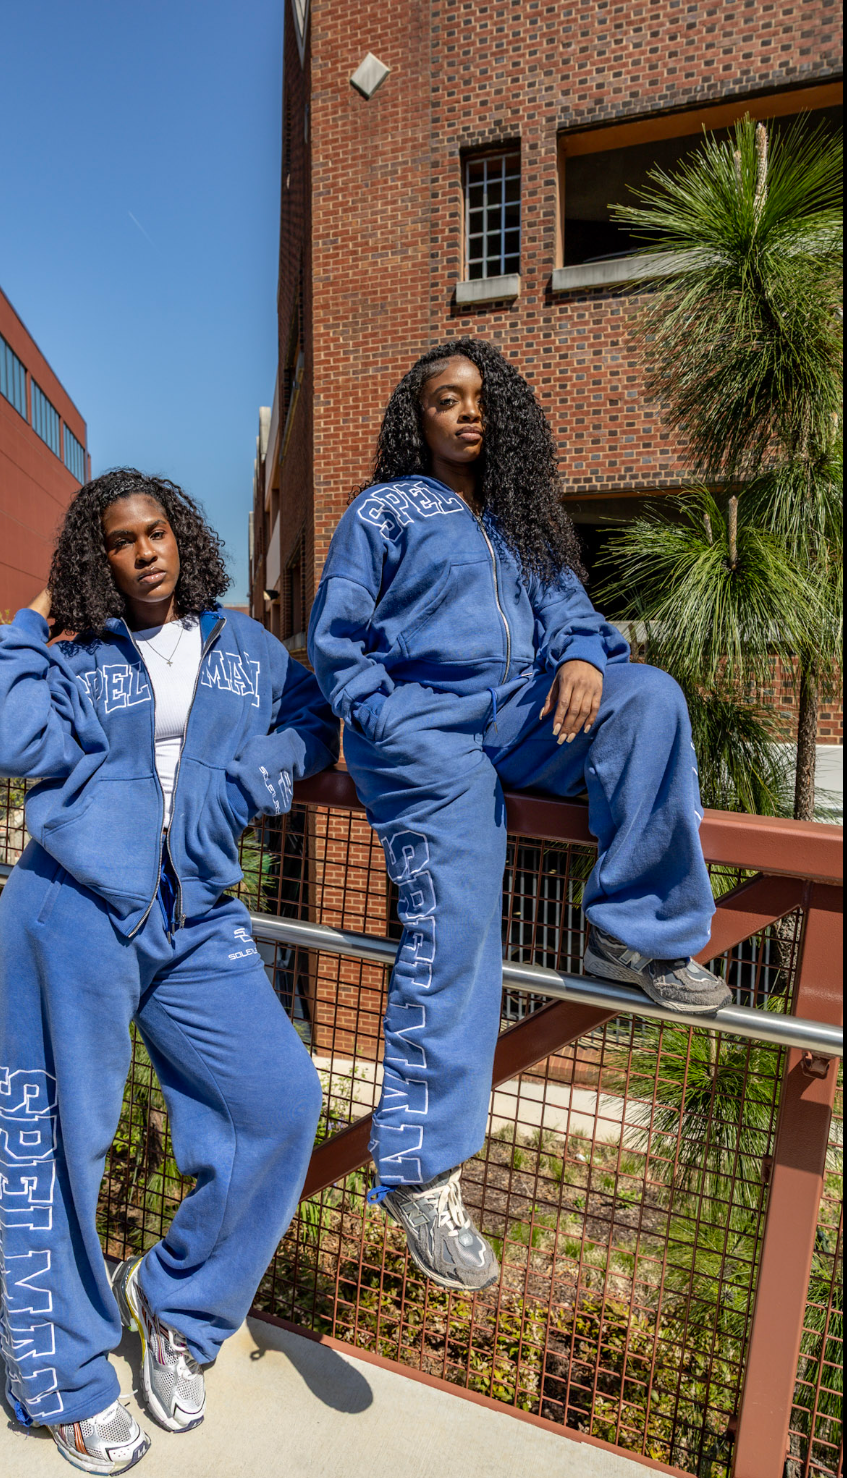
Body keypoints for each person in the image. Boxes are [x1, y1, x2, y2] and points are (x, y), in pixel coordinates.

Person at [307, 338, 728, 1295]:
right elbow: (337, 642)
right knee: (457, 931)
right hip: (427, 738)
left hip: (520, 716)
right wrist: (391, 718)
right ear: (414, 420)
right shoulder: (384, 511)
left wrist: (584, 658)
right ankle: (423, 1167)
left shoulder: (520, 520)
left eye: (480, 399)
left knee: (648, 698)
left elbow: (574, 615)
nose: (466, 413)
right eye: (443, 400)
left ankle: (634, 935)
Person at [0, 469, 338, 1475]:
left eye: (157, 531)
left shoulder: (244, 648)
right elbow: (2, 737)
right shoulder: (73, 651)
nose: (144, 552)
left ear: (185, 538)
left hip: (195, 911)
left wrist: (278, 755)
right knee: (57, 1143)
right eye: (120, 540)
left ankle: (176, 1307)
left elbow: (311, 716)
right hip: (73, 912)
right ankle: (61, 1375)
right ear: (99, 558)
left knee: (280, 1099)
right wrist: (36, 613)